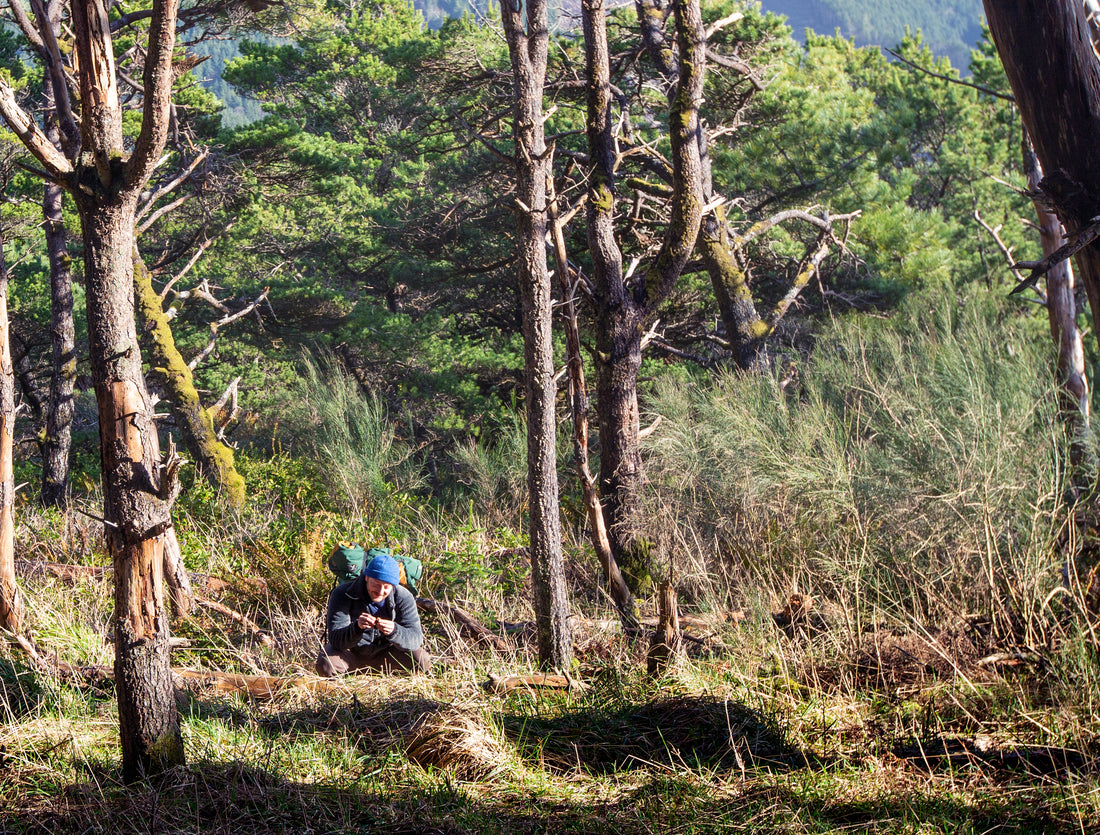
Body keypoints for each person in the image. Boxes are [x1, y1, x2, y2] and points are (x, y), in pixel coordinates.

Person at [315, 552, 430, 676]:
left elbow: (415, 639)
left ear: (393, 585)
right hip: (351, 655)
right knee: (326, 664)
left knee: (421, 660)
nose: (380, 591)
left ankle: (385, 672)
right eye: (376, 584)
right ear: (366, 577)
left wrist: (394, 631)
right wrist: (357, 628)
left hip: (386, 656)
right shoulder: (343, 593)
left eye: (386, 587)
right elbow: (336, 640)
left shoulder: (403, 597)